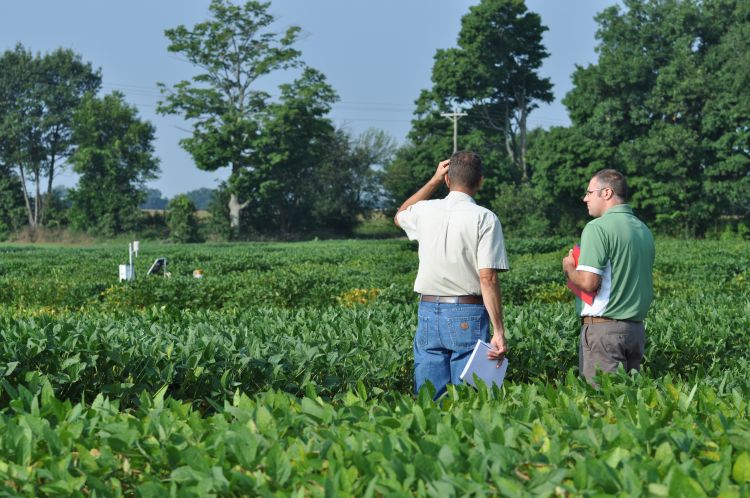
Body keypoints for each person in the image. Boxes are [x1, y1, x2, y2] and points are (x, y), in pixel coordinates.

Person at [394, 151, 509, 397]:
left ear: (447, 179)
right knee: (468, 399)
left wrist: (433, 180)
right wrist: (499, 331)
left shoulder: (424, 210)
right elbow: (487, 278)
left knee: (429, 397)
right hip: (467, 311)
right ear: (481, 181)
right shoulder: (485, 218)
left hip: (427, 310)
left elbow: (399, 215)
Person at [562, 169, 655, 383]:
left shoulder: (597, 228)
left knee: (602, 406)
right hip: (635, 330)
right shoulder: (643, 229)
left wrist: (569, 268)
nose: (585, 198)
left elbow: (589, 282)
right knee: (629, 406)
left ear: (606, 193)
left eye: (589, 192)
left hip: (605, 330)